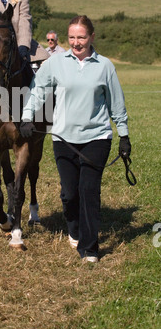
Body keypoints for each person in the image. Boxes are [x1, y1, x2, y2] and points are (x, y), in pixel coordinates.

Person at [20, 15, 132, 263]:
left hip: (97, 137)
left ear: (92, 37)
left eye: (81, 37)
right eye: (72, 37)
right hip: (63, 137)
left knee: (89, 191)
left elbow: (117, 103)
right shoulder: (56, 63)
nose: (76, 42)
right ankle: (74, 229)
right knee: (70, 193)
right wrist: (27, 116)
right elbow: (39, 90)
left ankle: (90, 249)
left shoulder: (105, 66)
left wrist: (123, 135)